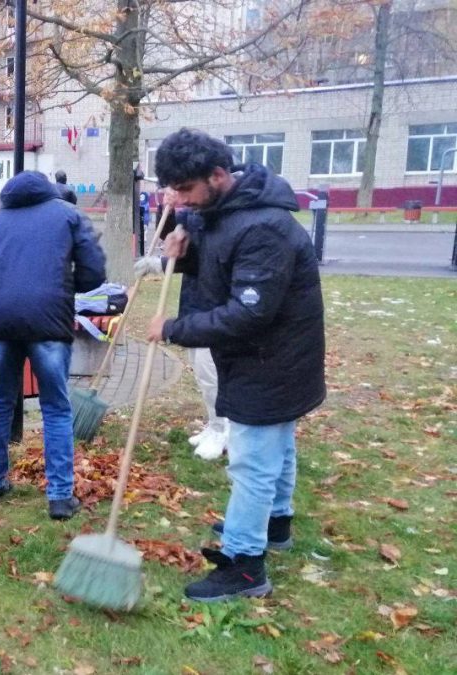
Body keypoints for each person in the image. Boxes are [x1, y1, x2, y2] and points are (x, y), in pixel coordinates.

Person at [148, 128, 325, 602]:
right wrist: (181, 245)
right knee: (277, 446)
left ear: (218, 175)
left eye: (186, 190)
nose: (182, 200)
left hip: (271, 359)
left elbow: (249, 312)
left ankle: (245, 566)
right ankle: (275, 524)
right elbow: (216, 263)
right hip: (267, 356)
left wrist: (174, 329)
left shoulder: (264, 227)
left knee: (252, 462)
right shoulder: (225, 211)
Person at [0, 170, 106, 520]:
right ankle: (60, 496)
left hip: (0, 320)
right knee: (56, 408)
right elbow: (94, 273)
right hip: (48, 321)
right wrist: (63, 288)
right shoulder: (68, 214)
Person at [134, 208, 229, 460]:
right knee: (202, 372)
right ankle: (215, 425)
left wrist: (160, 264)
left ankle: (225, 432)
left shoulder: (217, 215)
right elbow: (172, 237)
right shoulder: (194, 209)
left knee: (212, 374)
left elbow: (200, 258)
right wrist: (168, 208)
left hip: (213, 307)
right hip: (194, 301)